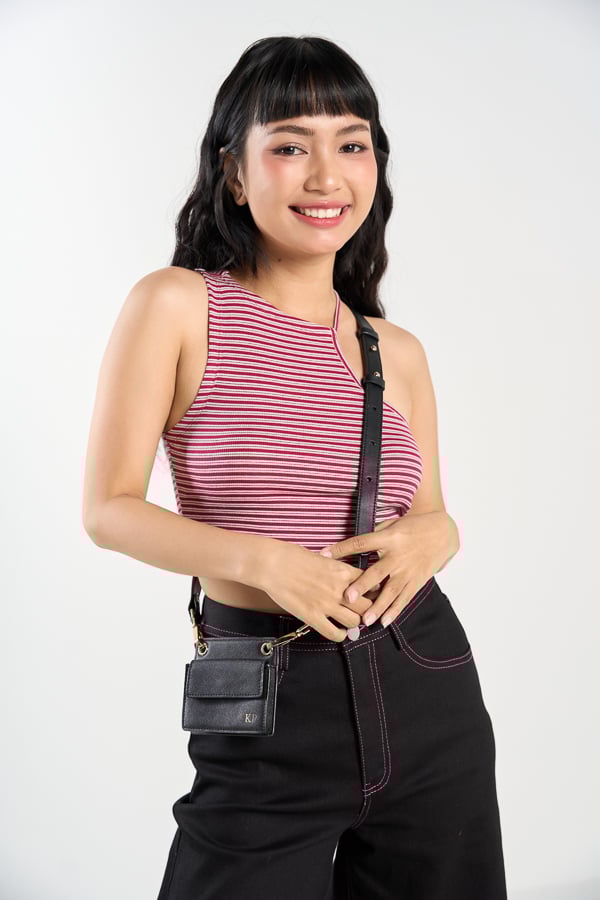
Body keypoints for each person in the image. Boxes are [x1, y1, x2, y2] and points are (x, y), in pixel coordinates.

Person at [82, 34, 507, 900]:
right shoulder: (178, 305)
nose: (326, 175)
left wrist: (444, 532)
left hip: (427, 688)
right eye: (289, 146)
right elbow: (109, 508)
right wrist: (266, 563)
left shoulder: (396, 351)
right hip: (265, 704)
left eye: (352, 144)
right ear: (234, 174)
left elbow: (426, 518)